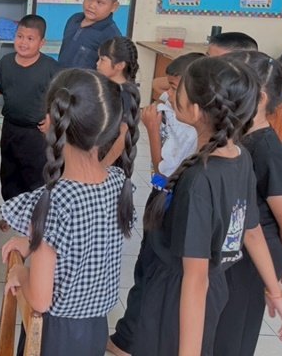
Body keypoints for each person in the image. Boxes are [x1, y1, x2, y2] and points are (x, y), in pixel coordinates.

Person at [133, 58, 282, 355]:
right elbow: (251, 230)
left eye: (179, 90)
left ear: (195, 111)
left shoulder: (198, 181)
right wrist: (275, 291)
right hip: (212, 291)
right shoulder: (240, 157)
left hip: (178, 297)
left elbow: (195, 277)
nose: (169, 94)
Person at [0, 69, 140, 355]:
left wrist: (21, 272)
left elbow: (40, 300)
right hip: (95, 330)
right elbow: (83, 242)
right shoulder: (118, 183)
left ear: (50, 122)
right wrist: (34, 242)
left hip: (53, 335)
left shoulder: (52, 200)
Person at [107, 51, 202, 356]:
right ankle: (131, 336)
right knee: (146, 267)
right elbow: (160, 83)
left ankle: (130, 340)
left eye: (175, 88)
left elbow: (163, 171)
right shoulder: (176, 105)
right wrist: (174, 89)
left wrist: (151, 128)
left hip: (167, 196)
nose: (167, 93)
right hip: (163, 196)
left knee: (150, 270)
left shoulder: (190, 129)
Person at [214, 51, 282, 356]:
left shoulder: (267, 150)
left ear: (260, 98)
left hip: (254, 257)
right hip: (236, 247)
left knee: (231, 338)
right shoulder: (237, 137)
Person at [0, 14, 62, 232]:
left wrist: (52, 117)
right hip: (10, 129)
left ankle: (35, 221)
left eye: (30, 38)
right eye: (20, 36)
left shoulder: (51, 68)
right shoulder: (6, 62)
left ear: (42, 42)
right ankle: (11, 214)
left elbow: (63, 98)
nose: (23, 42)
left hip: (38, 134)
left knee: (36, 177)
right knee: (9, 174)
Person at [151, 31, 258, 97]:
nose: (208, 65)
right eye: (207, 57)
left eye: (217, 61)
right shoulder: (204, 80)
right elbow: (157, 83)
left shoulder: (248, 95)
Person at [57, 0, 121, 69]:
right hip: (60, 76)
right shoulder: (74, 19)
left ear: (114, 7)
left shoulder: (111, 36)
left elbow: (109, 72)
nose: (91, 5)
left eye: (99, 2)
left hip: (85, 79)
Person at [95, 36, 140, 167]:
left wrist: (103, 166)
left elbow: (123, 136)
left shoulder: (126, 94)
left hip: (110, 162)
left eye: (102, 60)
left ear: (120, 65)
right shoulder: (106, 86)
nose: (97, 63)